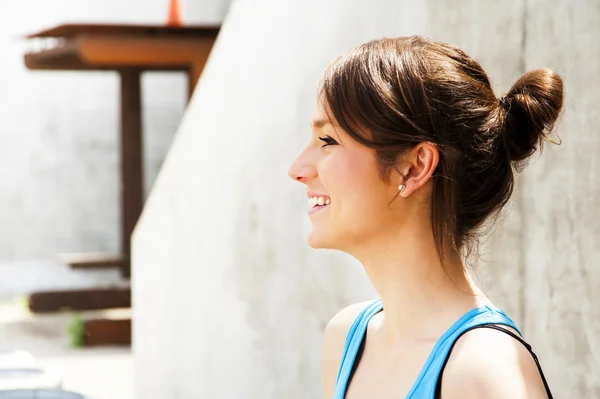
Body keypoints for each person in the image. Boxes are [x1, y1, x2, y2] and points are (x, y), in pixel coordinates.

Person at [288, 36, 562, 399]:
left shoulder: (484, 372)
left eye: (328, 140)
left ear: (414, 167)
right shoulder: (345, 342)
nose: (297, 169)